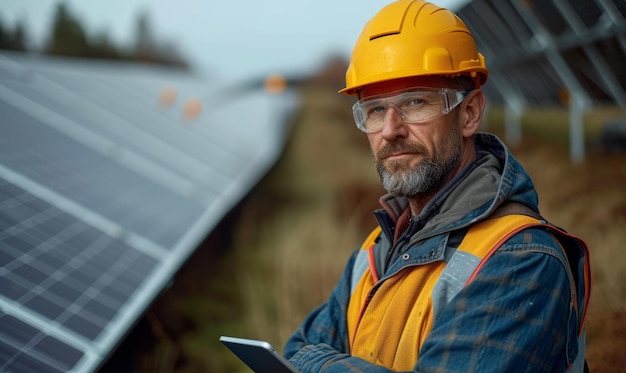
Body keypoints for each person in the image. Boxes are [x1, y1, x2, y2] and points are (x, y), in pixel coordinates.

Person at [283, 0, 591, 372]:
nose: (391, 130)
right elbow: (294, 348)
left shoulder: (521, 261)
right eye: (376, 110)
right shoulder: (377, 250)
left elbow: (301, 356)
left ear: (470, 113)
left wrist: (315, 364)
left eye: (415, 102)